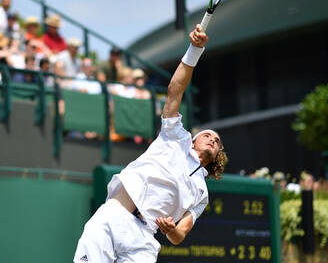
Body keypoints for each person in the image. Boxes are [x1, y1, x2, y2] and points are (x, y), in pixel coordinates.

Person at [73, 25, 229, 263]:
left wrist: (171, 230)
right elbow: (175, 90)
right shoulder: (175, 136)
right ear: (194, 139)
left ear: (217, 155)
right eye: (208, 135)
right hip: (115, 215)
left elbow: (180, 235)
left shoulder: (202, 193)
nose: (213, 139)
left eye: (217, 141)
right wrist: (195, 50)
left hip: (144, 240)